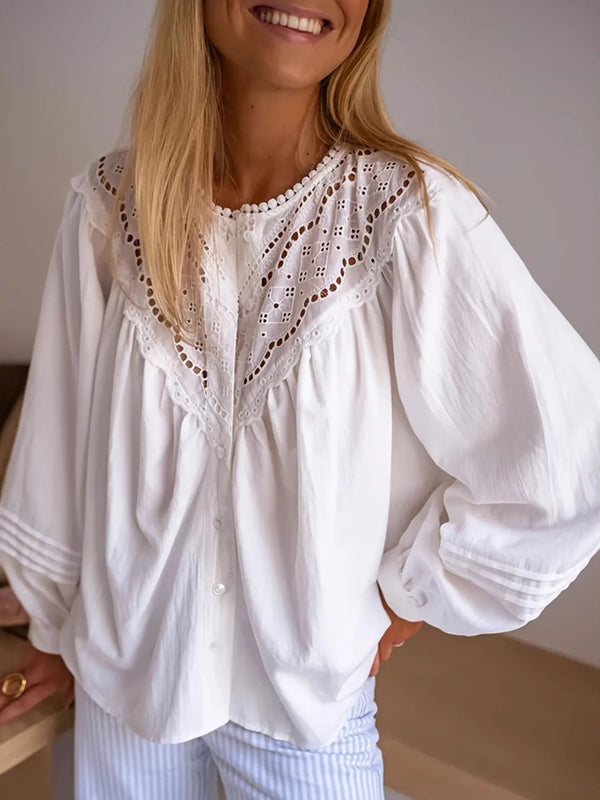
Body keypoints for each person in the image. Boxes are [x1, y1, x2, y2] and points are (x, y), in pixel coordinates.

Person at [1, 1, 600, 797]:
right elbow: (61, 437)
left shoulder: (405, 216)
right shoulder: (110, 204)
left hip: (301, 720)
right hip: (122, 690)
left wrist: (408, 597)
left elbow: (564, 455)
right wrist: (50, 627)